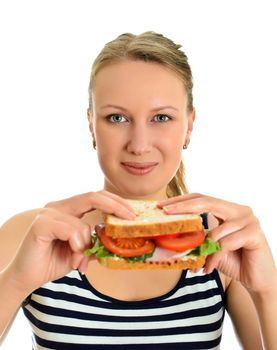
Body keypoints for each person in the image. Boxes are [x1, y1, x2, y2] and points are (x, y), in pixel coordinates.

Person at [0, 31, 276, 350]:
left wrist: (267, 289)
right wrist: (16, 281)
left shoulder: (223, 239)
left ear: (189, 125)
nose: (139, 144)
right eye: (116, 118)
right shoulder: (33, 234)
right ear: (91, 124)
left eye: (161, 117)